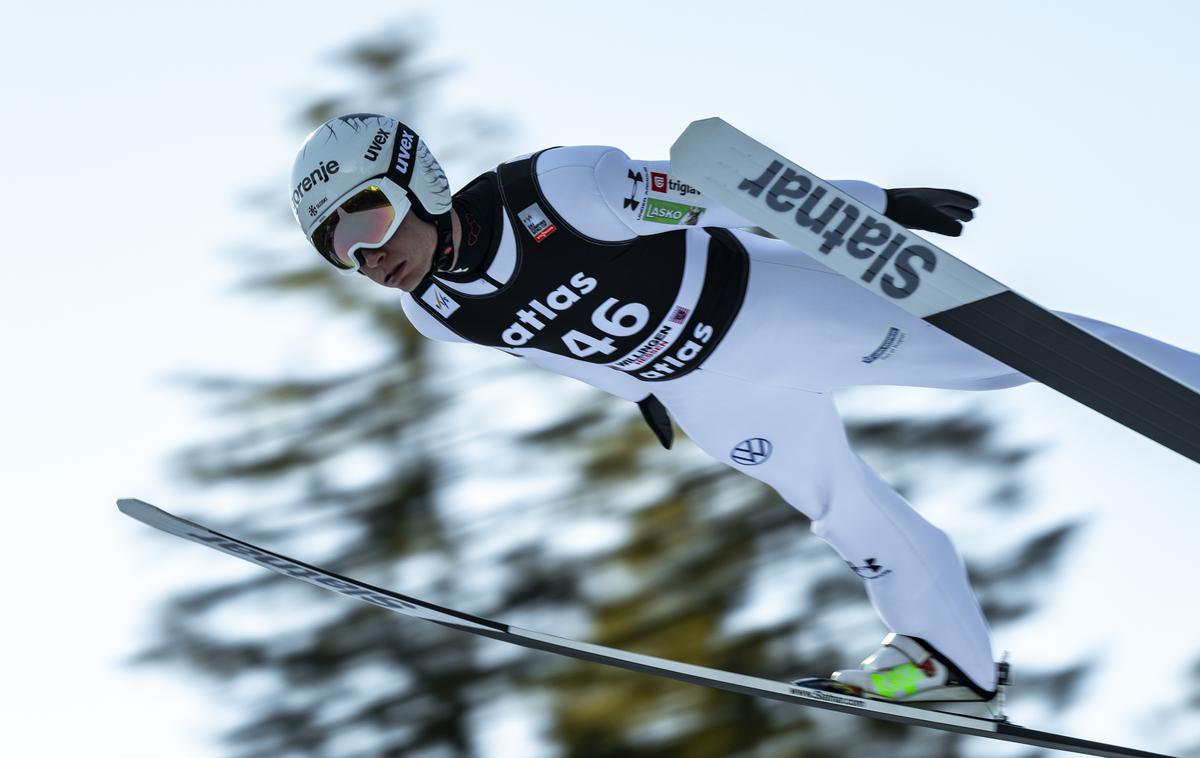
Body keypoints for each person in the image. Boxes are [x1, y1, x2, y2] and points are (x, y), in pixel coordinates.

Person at [289, 113, 1199, 704]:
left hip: (773, 310)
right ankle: (947, 661)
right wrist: (639, 389)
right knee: (841, 507)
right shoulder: (437, 312)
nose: (366, 258)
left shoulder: (562, 189)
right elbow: (550, 344)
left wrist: (875, 207)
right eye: (339, 247)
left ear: (419, 181)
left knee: (1018, 346)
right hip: (705, 390)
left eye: (366, 222)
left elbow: (724, 197)